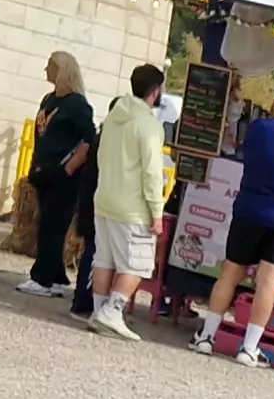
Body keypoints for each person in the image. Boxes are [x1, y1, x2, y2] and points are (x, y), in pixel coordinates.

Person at [190, 80, 274, 366]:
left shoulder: (260, 130)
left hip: (250, 210)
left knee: (230, 274)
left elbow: (247, 157)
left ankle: (206, 337)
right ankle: (249, 348)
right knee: (268, 283)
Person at [67, 62, 171, 341]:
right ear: (156, 91)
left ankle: (99, 311)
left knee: (104, 258)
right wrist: (157, 211)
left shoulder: (115, 117)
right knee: (138, 264)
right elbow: (151, 172)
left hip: (105, 197)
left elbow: (100, 155)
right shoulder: (148, 125)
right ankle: (112, 312)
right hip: (132, 206)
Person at [14, 53, 95, 302]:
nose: (45, 69)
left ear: (62, 70)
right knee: (45, 223)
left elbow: (88, 139)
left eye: (50, 65)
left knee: (53, 226)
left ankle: (43, 278)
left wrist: (69, 168)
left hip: (64, 176)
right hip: (43, 172)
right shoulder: (49, 99)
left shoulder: (78, 105)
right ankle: (57, 276)